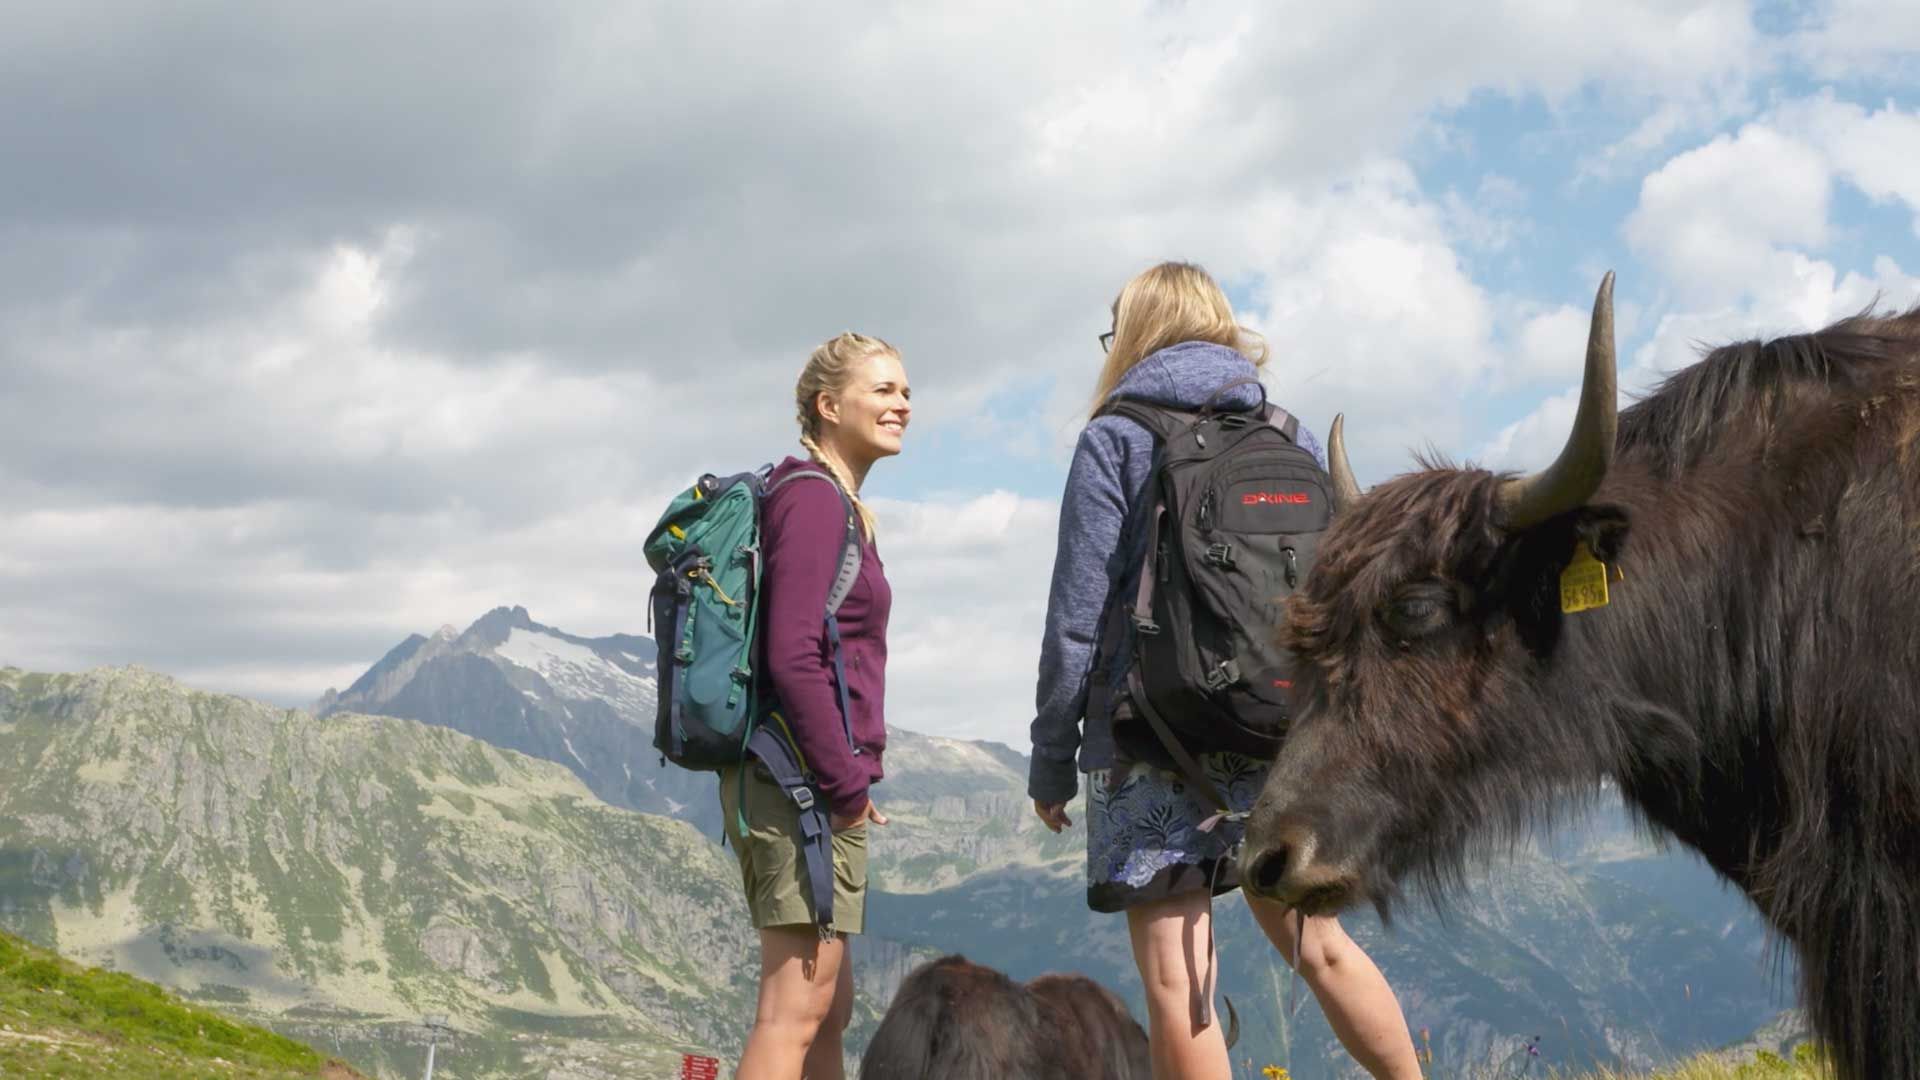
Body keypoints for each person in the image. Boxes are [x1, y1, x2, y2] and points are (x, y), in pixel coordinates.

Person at [1028, 262, 1422, 1080]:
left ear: (1133, 334)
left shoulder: (1118, 435)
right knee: (1321, 947)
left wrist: (1052, 762)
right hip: (1279, 724)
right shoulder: (1287, 434)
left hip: (1155, 734)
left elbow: (1077, 614)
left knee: (1180, 981)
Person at [726, 331, 910, 1080]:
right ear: (828, 406)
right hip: (799, 783)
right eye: (883, 390)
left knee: (827, 1010)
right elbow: (792, 654)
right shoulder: (810, 499)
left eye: (905, 392)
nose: (901, 405)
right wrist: (843, 784)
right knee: (794, 1010)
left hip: (806, 781)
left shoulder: (832, 499)